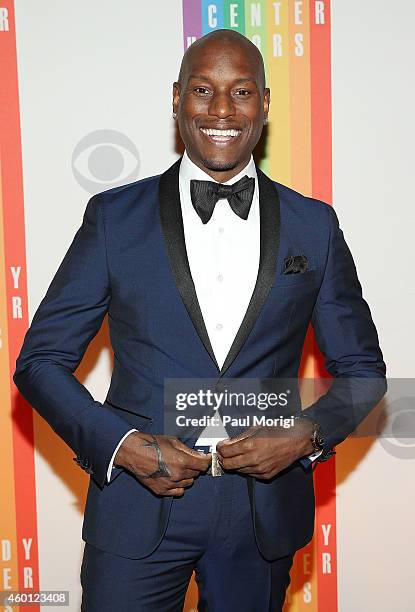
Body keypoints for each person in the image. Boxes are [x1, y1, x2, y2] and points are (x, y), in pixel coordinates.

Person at [13, 29, 386, 611]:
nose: (221, 111)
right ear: (175, 98)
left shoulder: (314, 226)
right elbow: (39, 362)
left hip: (261, 514)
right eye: (202, 90)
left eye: (240, 92)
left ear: (264, 103)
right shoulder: (115, 218)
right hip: (137, 503)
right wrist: (124, 445)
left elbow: (363, 371)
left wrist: (302, 436)